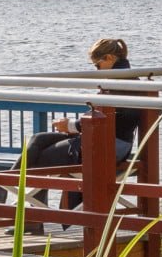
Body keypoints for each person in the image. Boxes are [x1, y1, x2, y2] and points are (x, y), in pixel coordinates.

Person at [20, 37, 146, 207]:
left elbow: (109, 119)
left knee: (39, 158)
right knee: (38, 139)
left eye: (97, 65)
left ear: (110, 58)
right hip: (104, 142)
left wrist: (71, 125)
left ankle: (26, 207)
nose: (97, 70)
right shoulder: (126, 80)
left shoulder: (120, 83)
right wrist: (73, 126)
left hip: (108, 147)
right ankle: (1, 189)